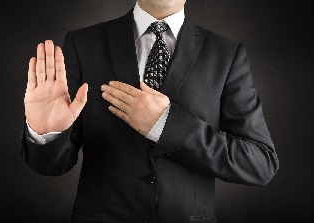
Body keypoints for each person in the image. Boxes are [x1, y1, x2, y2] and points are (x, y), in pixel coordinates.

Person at [20, 0, 279, 222]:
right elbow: (52, 166)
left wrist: (166, 126)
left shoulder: (227, 55)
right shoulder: (82, 43)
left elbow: (260, 162)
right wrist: (48, 134)